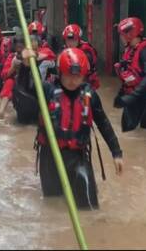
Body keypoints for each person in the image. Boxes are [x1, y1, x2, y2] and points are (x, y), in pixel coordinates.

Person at [28, 47, 124, 210]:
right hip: (50, 157)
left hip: (78, 157)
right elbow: (31, 87)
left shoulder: (90, 96)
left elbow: (104, 124)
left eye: (77, 76)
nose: (73, 81)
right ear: (60, 73)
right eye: (68, 76)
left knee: (90, 207)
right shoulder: (48, 90)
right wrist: (27, 64)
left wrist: (116, 153)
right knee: (53, 204)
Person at [113, 17, 146, 132]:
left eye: (122, 35)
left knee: (145, 135)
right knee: (127, 130)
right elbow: (128, 75)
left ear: (129, 34)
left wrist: (132, 96)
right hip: (135, 97)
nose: (121, 38)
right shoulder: (131, 50)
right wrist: (121, 94)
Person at [12, 34, 57, 124]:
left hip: (35, 107)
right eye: (31, 49)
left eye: (35, 49)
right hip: (23, 104)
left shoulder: (41, 60)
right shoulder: (18, 61)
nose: (32, 52)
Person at [0, 35, 25, 119]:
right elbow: (4, 75)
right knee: (9, 81)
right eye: (17, 47)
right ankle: (1, 111)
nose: (19, 50)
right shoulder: (12, 57)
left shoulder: (30, 55)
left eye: (21, 47)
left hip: (28, 80)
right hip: (17, 81)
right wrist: (13, 67)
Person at [62, 24, 100, 90]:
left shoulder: (86, 51)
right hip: (70, 81)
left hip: (87, 82)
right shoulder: (64, 49)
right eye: (68, 40)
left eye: (73, 40)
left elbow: (83, 71)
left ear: (78, 40)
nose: (70, 43)